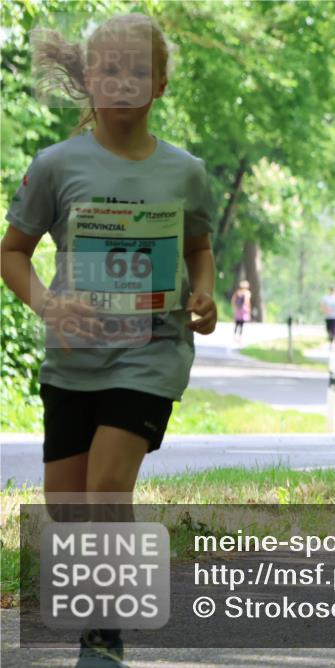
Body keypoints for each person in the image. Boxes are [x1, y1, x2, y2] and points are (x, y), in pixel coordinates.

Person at [0, 14, 216, 666]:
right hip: (74, 358)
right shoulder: (55, 165)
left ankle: (104, 635)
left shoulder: (186, 172)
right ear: (89, 78)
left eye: (138, 70)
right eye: (111, 69)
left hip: (153, 349)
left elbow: (199, 248)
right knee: (67, 506)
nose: (124, 81)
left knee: (107, 485)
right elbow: (12, 252)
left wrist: (204, 295)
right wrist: (47, 303)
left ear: (161, 84)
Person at [231, 280, 251, 344]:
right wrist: (249, 310)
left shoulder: (237, 292)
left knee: (237, 324)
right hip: (243, 310)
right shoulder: (247, 293)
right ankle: (239, 338)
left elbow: (233, 300)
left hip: (238, 309)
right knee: (241, 324)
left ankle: (234, 336)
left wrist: (235, 307)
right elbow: (247, 302)